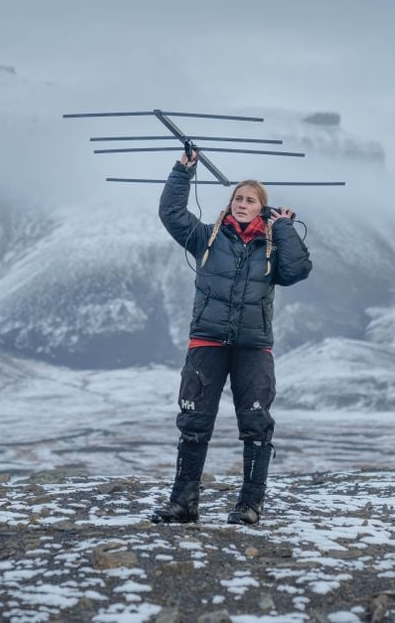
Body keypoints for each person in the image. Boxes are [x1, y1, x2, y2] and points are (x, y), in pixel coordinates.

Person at [152, 148, 312, 525]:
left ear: (262, 208)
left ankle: (250, 505)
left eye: (250, 200)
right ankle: (183, 504)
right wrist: (182, 171)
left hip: (253, 348)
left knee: (256, 425)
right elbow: (171, 214)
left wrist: (284, 226)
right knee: (193, 423)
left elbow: (299, 270)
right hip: (206, 344)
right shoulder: (206, 238)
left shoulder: (271, 247)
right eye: (238, 198)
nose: (242, 204)